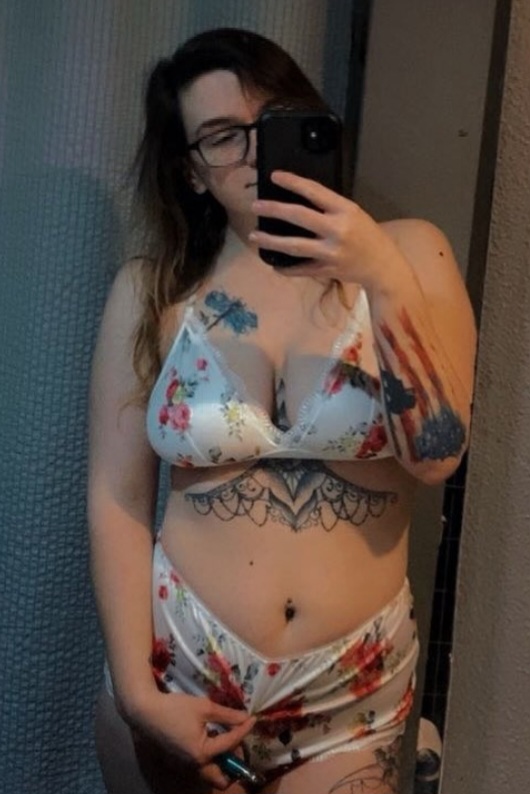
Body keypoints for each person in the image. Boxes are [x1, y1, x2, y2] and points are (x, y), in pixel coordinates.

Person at [88, 27, 476, 794]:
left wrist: (381, 276)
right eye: (222, 136)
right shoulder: (156, 290)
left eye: (272, 120)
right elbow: (116, 499)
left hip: (348, 695)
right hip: (178, 675)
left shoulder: (410, 254)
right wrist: (138, 694)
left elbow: (437, 458)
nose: (256, 151)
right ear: (192, 171)